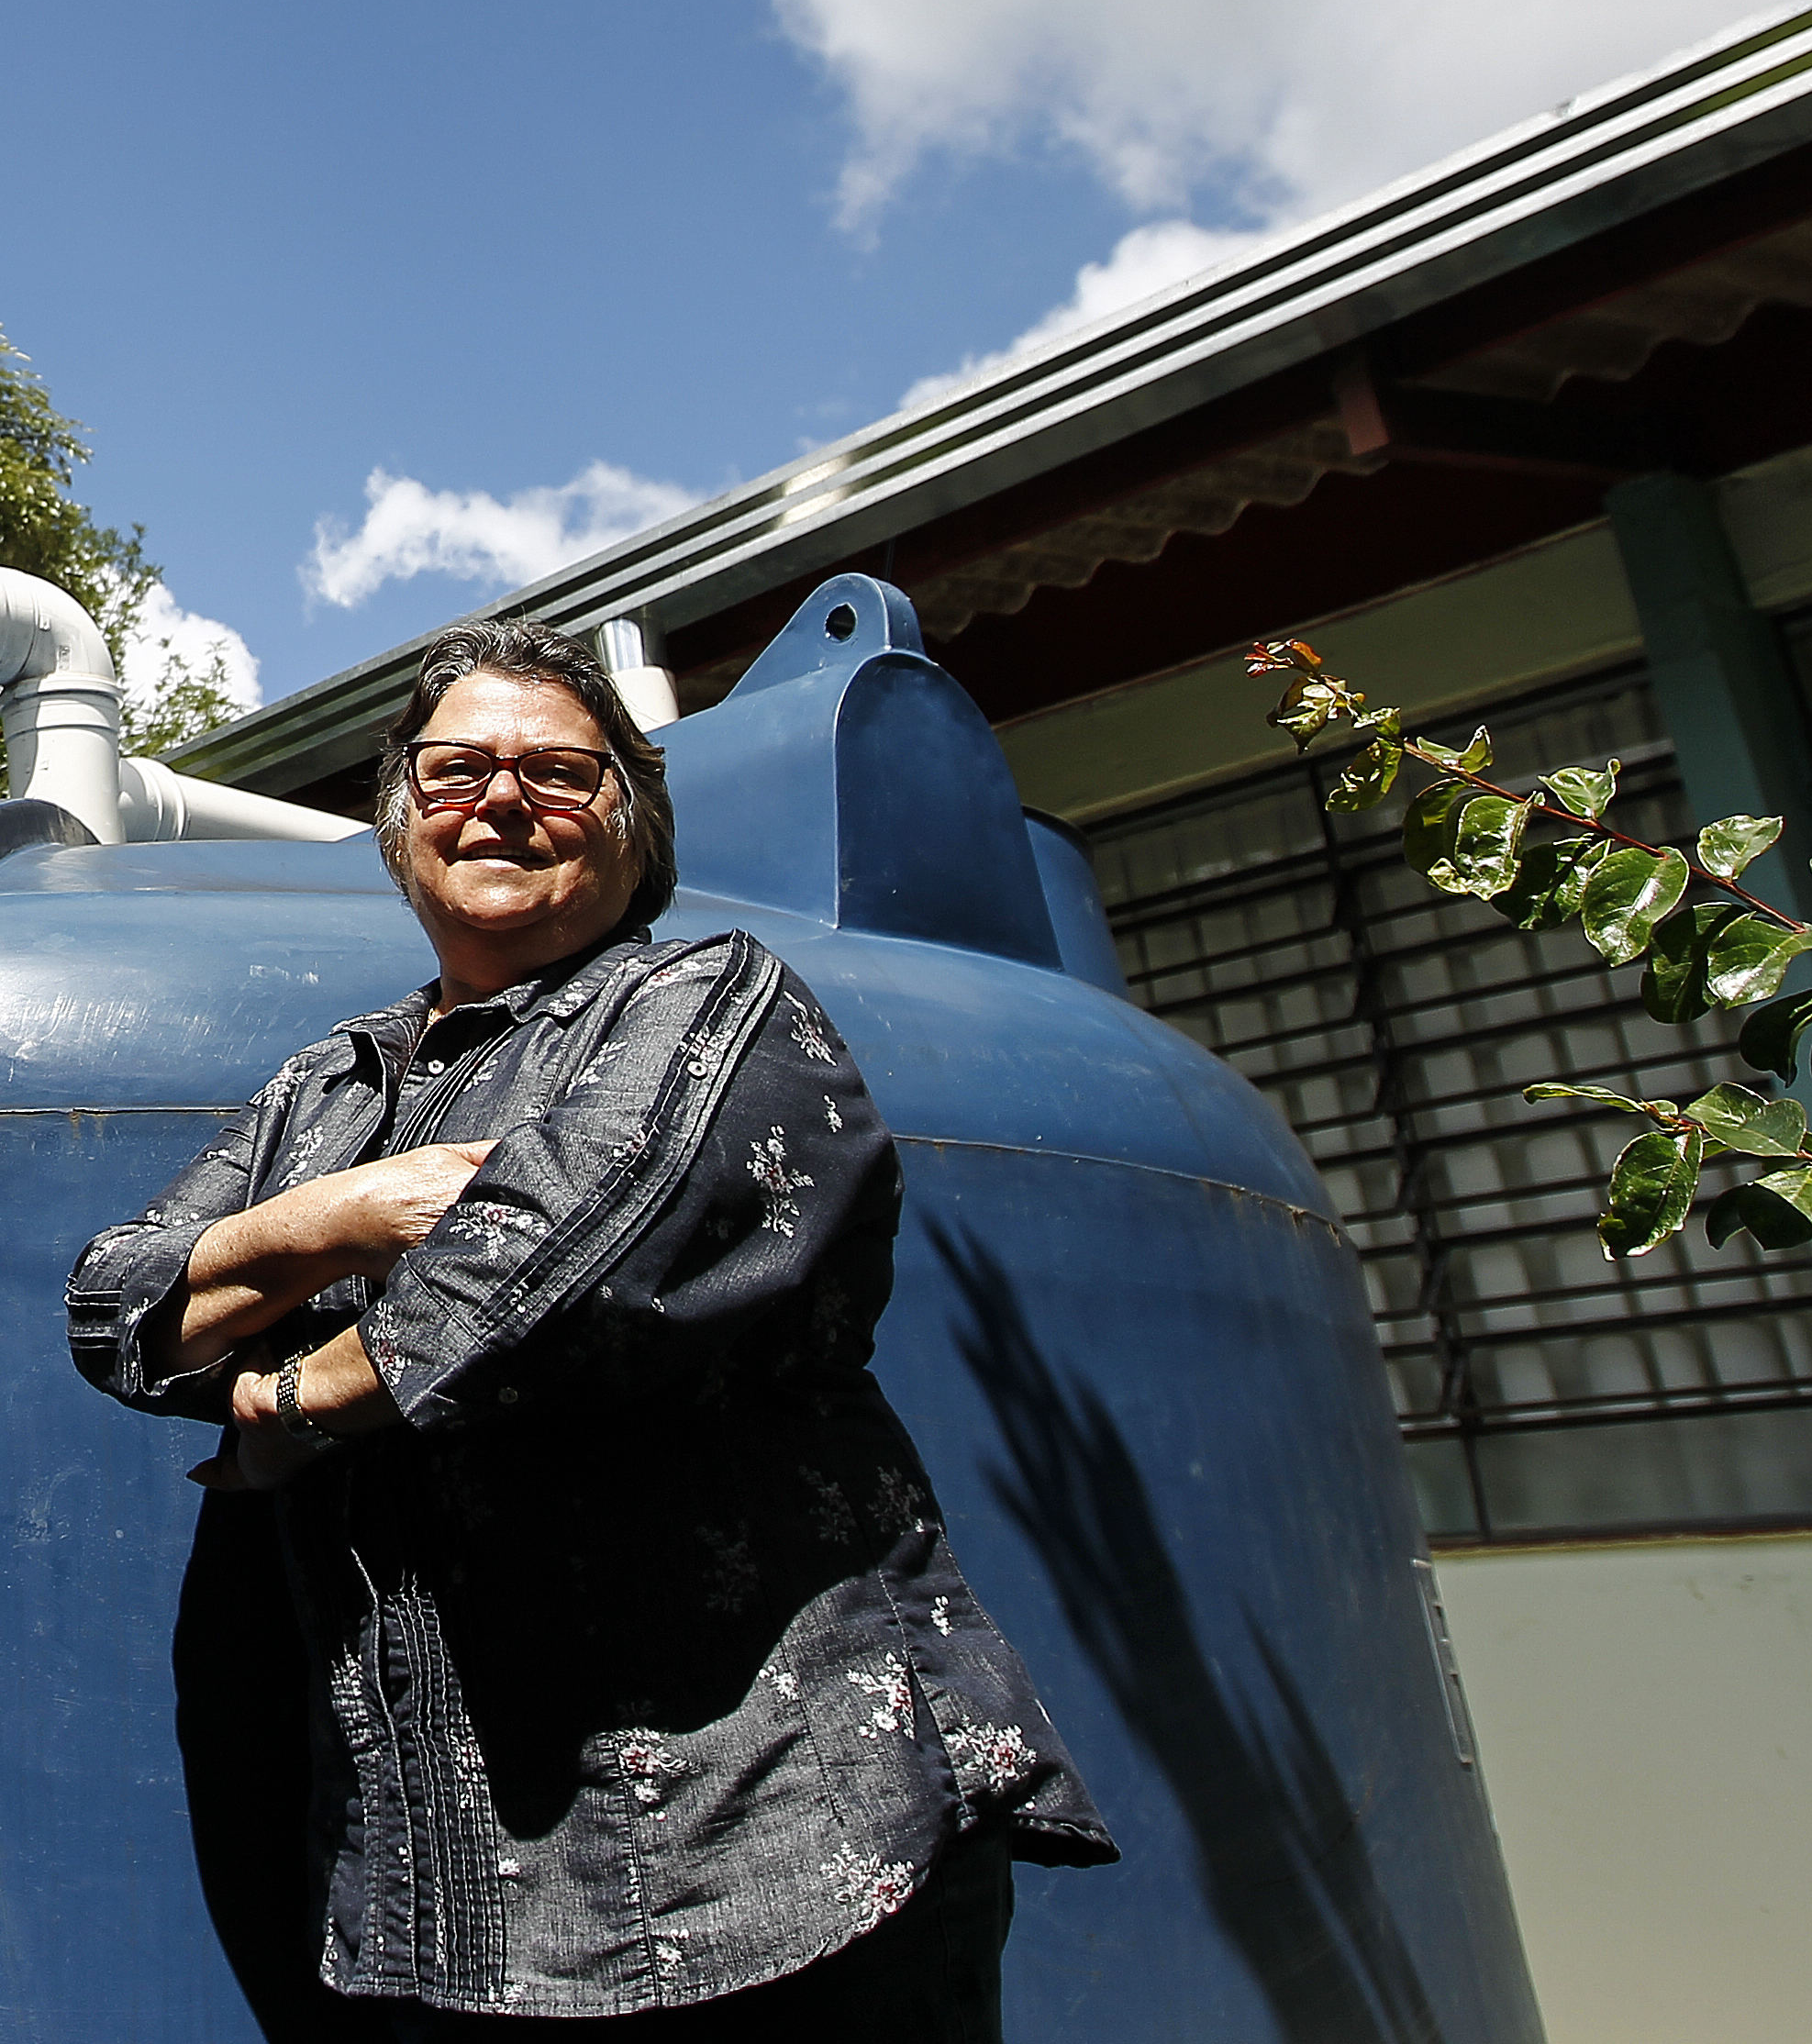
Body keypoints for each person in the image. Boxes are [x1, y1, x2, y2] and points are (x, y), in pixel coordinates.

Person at [64, 617, 1112, 2038]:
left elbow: (560, 1260)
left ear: (635, 820)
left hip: (763, 1844)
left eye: (561, 773)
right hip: (435, 1883)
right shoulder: (329, 1088)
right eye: (455, 770)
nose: (502, 800)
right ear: (399, 822)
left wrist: (276, 1398)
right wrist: (336, 1219)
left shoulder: (706, 996)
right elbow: (116, 1309)